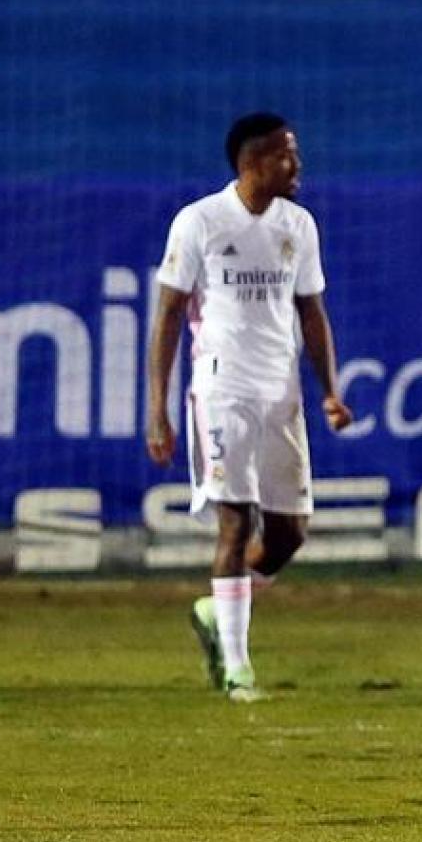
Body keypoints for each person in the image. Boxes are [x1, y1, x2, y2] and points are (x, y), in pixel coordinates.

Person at [146, 112, 353, 703]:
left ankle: (219, 608)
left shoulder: (298, 224)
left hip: (280, 389)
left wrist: (330, 390)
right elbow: (166, 314)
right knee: (236, 522)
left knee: (289, 533)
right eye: (286, 154)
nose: (298, 164)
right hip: (220, 388)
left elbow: (311, 312)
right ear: (250, 162)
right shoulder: (201, 221)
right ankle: (237, 668)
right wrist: (157, 409)